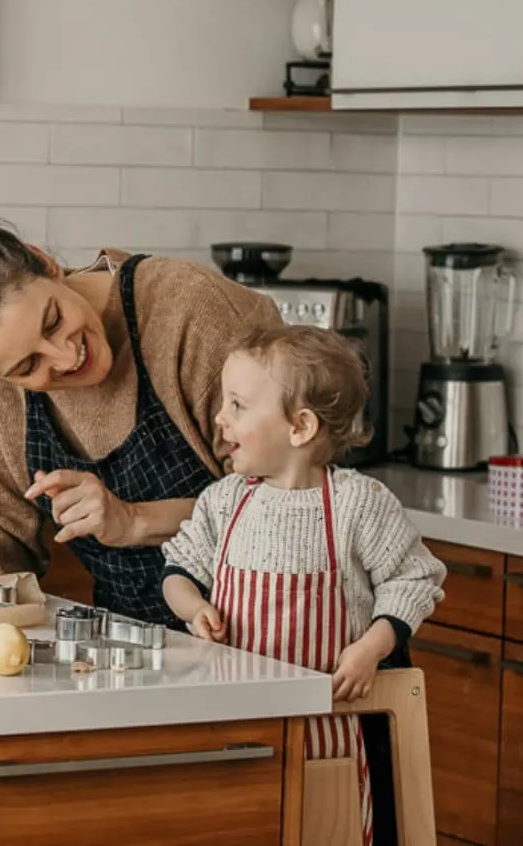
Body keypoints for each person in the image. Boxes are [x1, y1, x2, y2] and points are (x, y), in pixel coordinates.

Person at [0, 207, 283, 626]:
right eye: (26, 367)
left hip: (271, 638)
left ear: (45, 263)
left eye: (53, 321)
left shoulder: (190, 312)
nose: (65, 355)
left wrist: (133, 520)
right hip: (136, 645)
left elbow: (289, 502)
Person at [160, 324, 446, 846]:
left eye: (238, 405)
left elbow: (415, 579)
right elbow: (178, 570)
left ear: (300, 426)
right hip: (235, 731)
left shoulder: (360, 504)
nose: (220, 418)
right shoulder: (224, 501)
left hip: (328, 737)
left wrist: (369, 648)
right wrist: (193, 608)